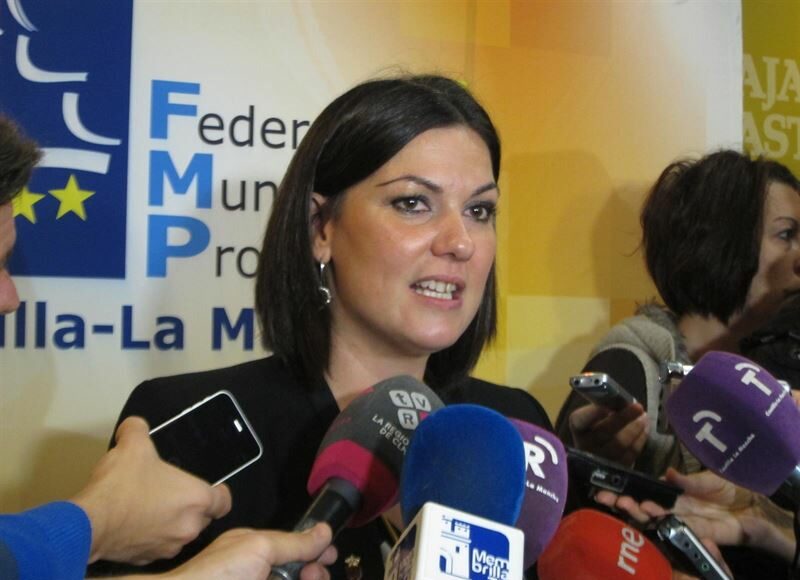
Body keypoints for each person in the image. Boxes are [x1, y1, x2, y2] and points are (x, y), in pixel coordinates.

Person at [92, 74, 552, 579]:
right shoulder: (188, 424)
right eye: (413, 203)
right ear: (320, 228)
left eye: (479, 210)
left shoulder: (516, 428)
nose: (460, 242)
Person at [0, 116, 336, 580]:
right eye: (410, 203)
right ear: (321, 228)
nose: (10, 298)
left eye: (7, 263)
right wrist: (98, 522)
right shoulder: (170, 402)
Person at [554, 150, 800, 578]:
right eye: (787, 235)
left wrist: (774, 533)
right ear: (721, 242)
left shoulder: (783, 381)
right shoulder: (631, 363)